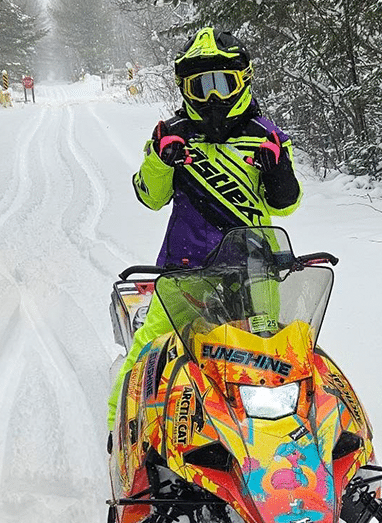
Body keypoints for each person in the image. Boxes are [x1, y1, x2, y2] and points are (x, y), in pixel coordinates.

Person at [107, 27, 302, 430]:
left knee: (271, 353)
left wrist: (279, 171)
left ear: (242, 82)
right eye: (201, 86)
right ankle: (120, 427)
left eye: (222, 83)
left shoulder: (266, 137)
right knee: (151, 347)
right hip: (185, 267)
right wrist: (161, 160)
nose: (213, 97)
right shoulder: (171, 134)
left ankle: (274, 436)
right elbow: (150, 196)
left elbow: (285, 204)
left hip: (253, 267)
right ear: (186, 90)